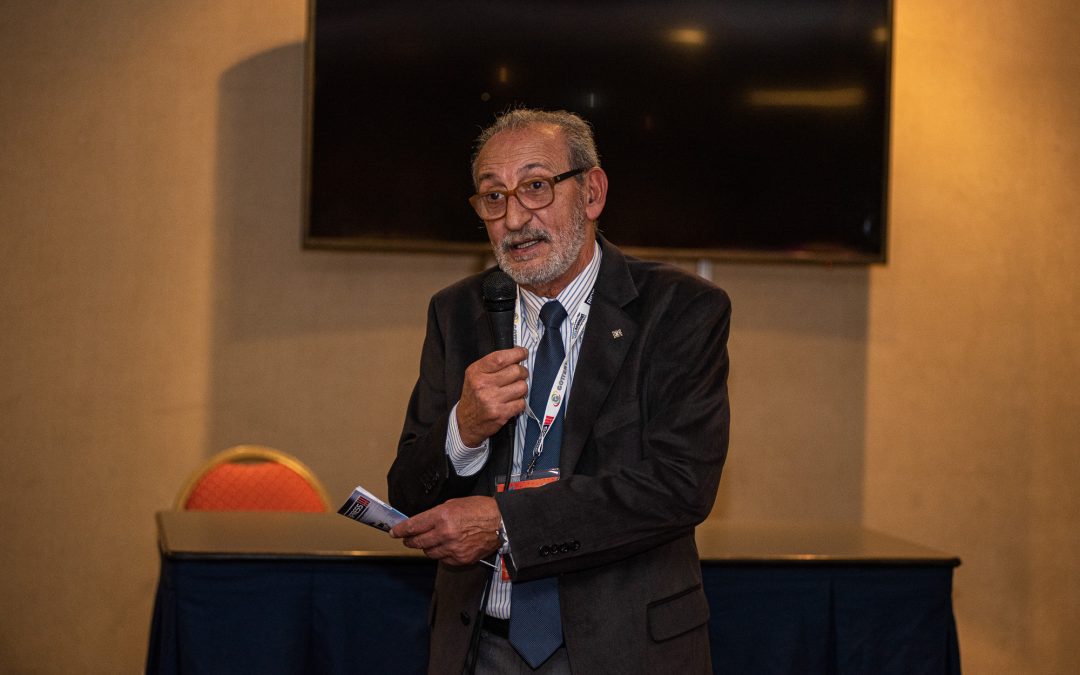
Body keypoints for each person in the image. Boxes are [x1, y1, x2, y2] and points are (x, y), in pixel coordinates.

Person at [388, 108, 730, 674]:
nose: (513, 218)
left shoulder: (679, 310)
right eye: (493, 197)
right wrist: (462, 429)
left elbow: (680, 485)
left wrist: (505, 522)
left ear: (591, 193)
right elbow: (407, 491)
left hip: (625, 649)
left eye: (536, 187)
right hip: (481, 645)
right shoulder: (457, 312)